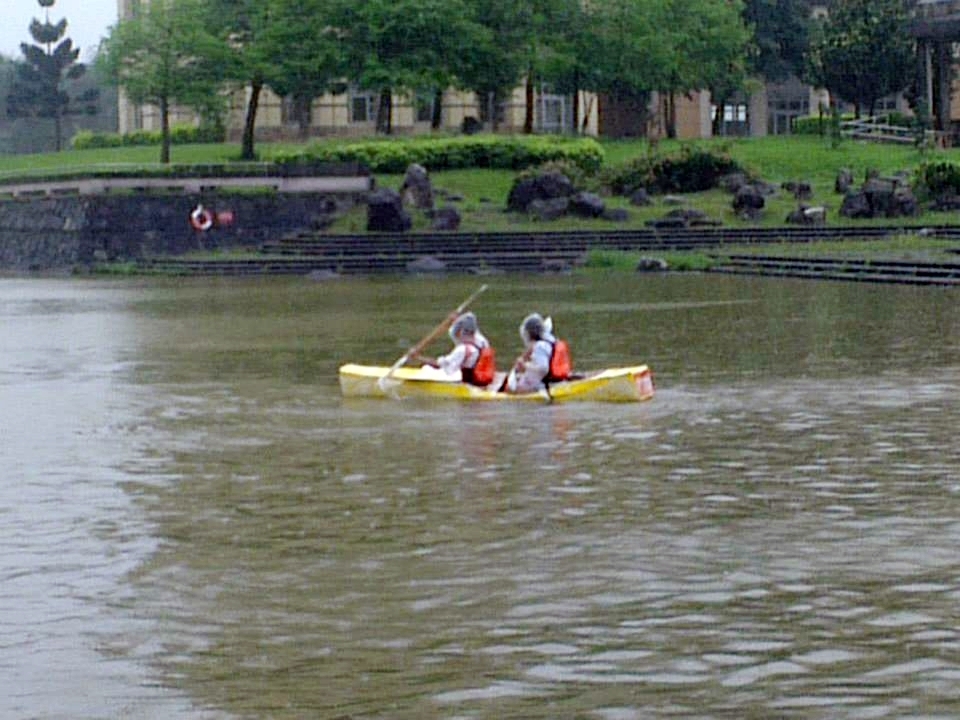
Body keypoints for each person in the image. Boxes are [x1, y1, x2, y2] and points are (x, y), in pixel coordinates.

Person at [418, 311, 496, 387]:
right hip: (481, 376)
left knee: (426, 368)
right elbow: (470, 319)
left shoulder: (462, 350)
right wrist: (457, 319)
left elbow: (444, 366)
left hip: (470, 381)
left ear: (459, 332)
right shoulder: (482, 341)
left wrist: (419, 358)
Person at [503, 313, 572, 394]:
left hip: (546, 384)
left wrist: (525, 366)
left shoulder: (540, 347)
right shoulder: (551, 340)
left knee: (510, 390)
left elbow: (543, 369)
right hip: (557, 379)